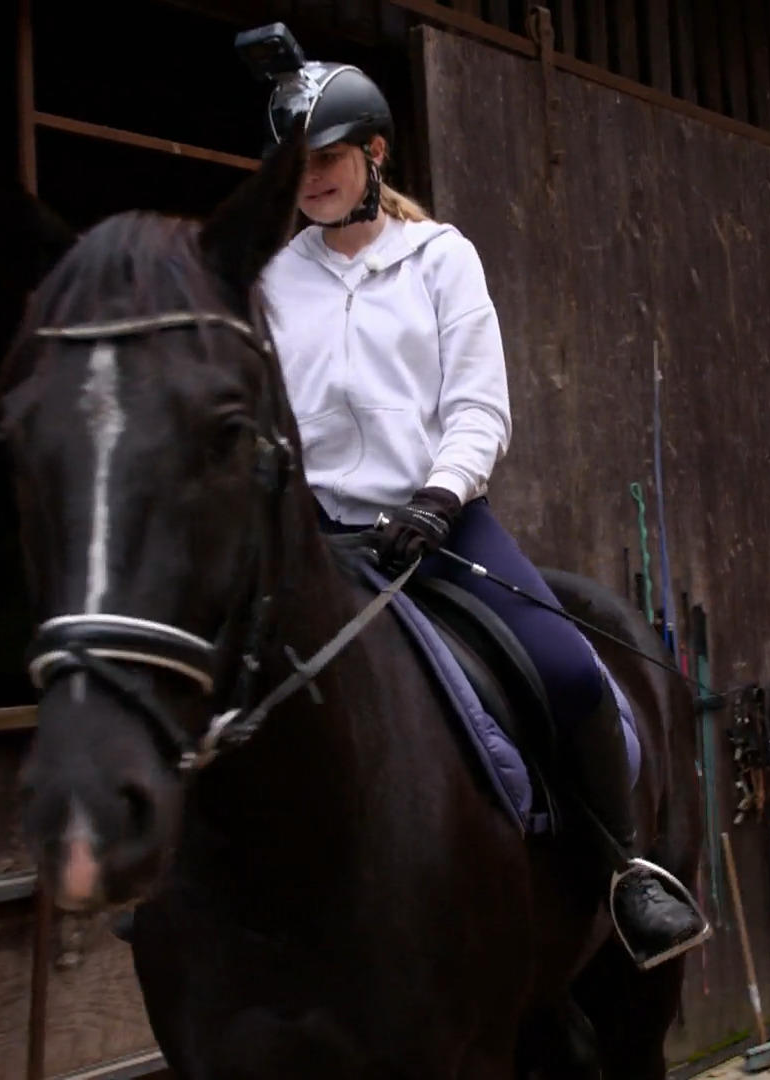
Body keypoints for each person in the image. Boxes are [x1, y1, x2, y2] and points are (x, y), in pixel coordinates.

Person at [239, 25, 708, 970]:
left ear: (375, 156)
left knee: (570, 671)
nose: (310, 179)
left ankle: (624, 873)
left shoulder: (441, 258)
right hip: (321, 538)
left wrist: (436, 500)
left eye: (328, 159)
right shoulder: (270, 283)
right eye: (296, 164)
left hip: (438, 528)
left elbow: (479, 407)